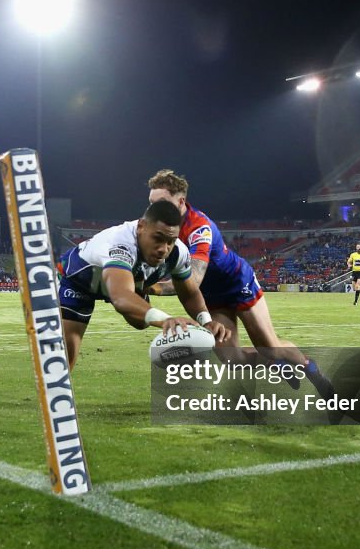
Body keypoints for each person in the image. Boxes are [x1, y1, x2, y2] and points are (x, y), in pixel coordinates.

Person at [145, 169, 332, 395]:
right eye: (151, 203)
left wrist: (152, 287)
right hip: (211, 296)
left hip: (237, 284)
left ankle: (309, 368)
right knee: (233, 362)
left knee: (270, 347)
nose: (154, 209)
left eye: (161, 202)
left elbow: (192, 280)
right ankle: (276, 366)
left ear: (181, 201)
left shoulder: (199, 228)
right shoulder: (158, 225)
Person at [57, 200, 229, 369]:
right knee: (65, 358)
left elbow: (189, 292)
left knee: (140, 322)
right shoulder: (120, 244)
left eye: (170, 241)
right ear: (141, 227)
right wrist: (166, 320)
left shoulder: (178, 252)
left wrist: (206, 321)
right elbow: (121, 296)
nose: (164, 249)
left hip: (125, 280)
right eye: (157, 238)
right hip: (78, 282)